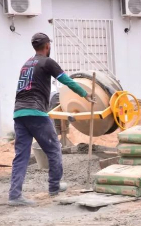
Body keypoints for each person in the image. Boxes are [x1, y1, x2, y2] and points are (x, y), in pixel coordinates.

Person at [8, 33, 92, 206]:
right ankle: (54, 186)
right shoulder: (47, 62)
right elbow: (66, 80)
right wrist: (85, 94)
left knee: (21, 155)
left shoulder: (26, 64)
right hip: (36, 112)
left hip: (19, 113)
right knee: (54, 148)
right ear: (47, 46)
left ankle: (14, 195)